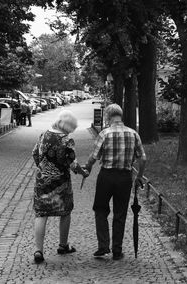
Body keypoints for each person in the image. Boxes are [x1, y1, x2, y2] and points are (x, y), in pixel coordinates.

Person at [83, 104, 146, 261]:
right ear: (121, 116)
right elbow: (143, 158)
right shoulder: (133, 134)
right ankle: (117, 250)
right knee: (120, 213)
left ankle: (103, 246)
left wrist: (88, 168)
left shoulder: (105, 134)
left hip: (106, 176)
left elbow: (94, 156)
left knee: (100, 210)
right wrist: (139, 177)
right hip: (125, 178)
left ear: (108, 117)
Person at [32, 110, 89, 264]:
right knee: (65, 212)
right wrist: (83, 172)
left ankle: (38, 251)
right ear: (68, 126)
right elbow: (73, 164)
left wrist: (43, 169)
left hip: (42, 181)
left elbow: (35, 154)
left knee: (41, 214)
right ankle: (63, 246)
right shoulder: (67, 140)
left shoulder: (43, 135)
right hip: (61, 182)